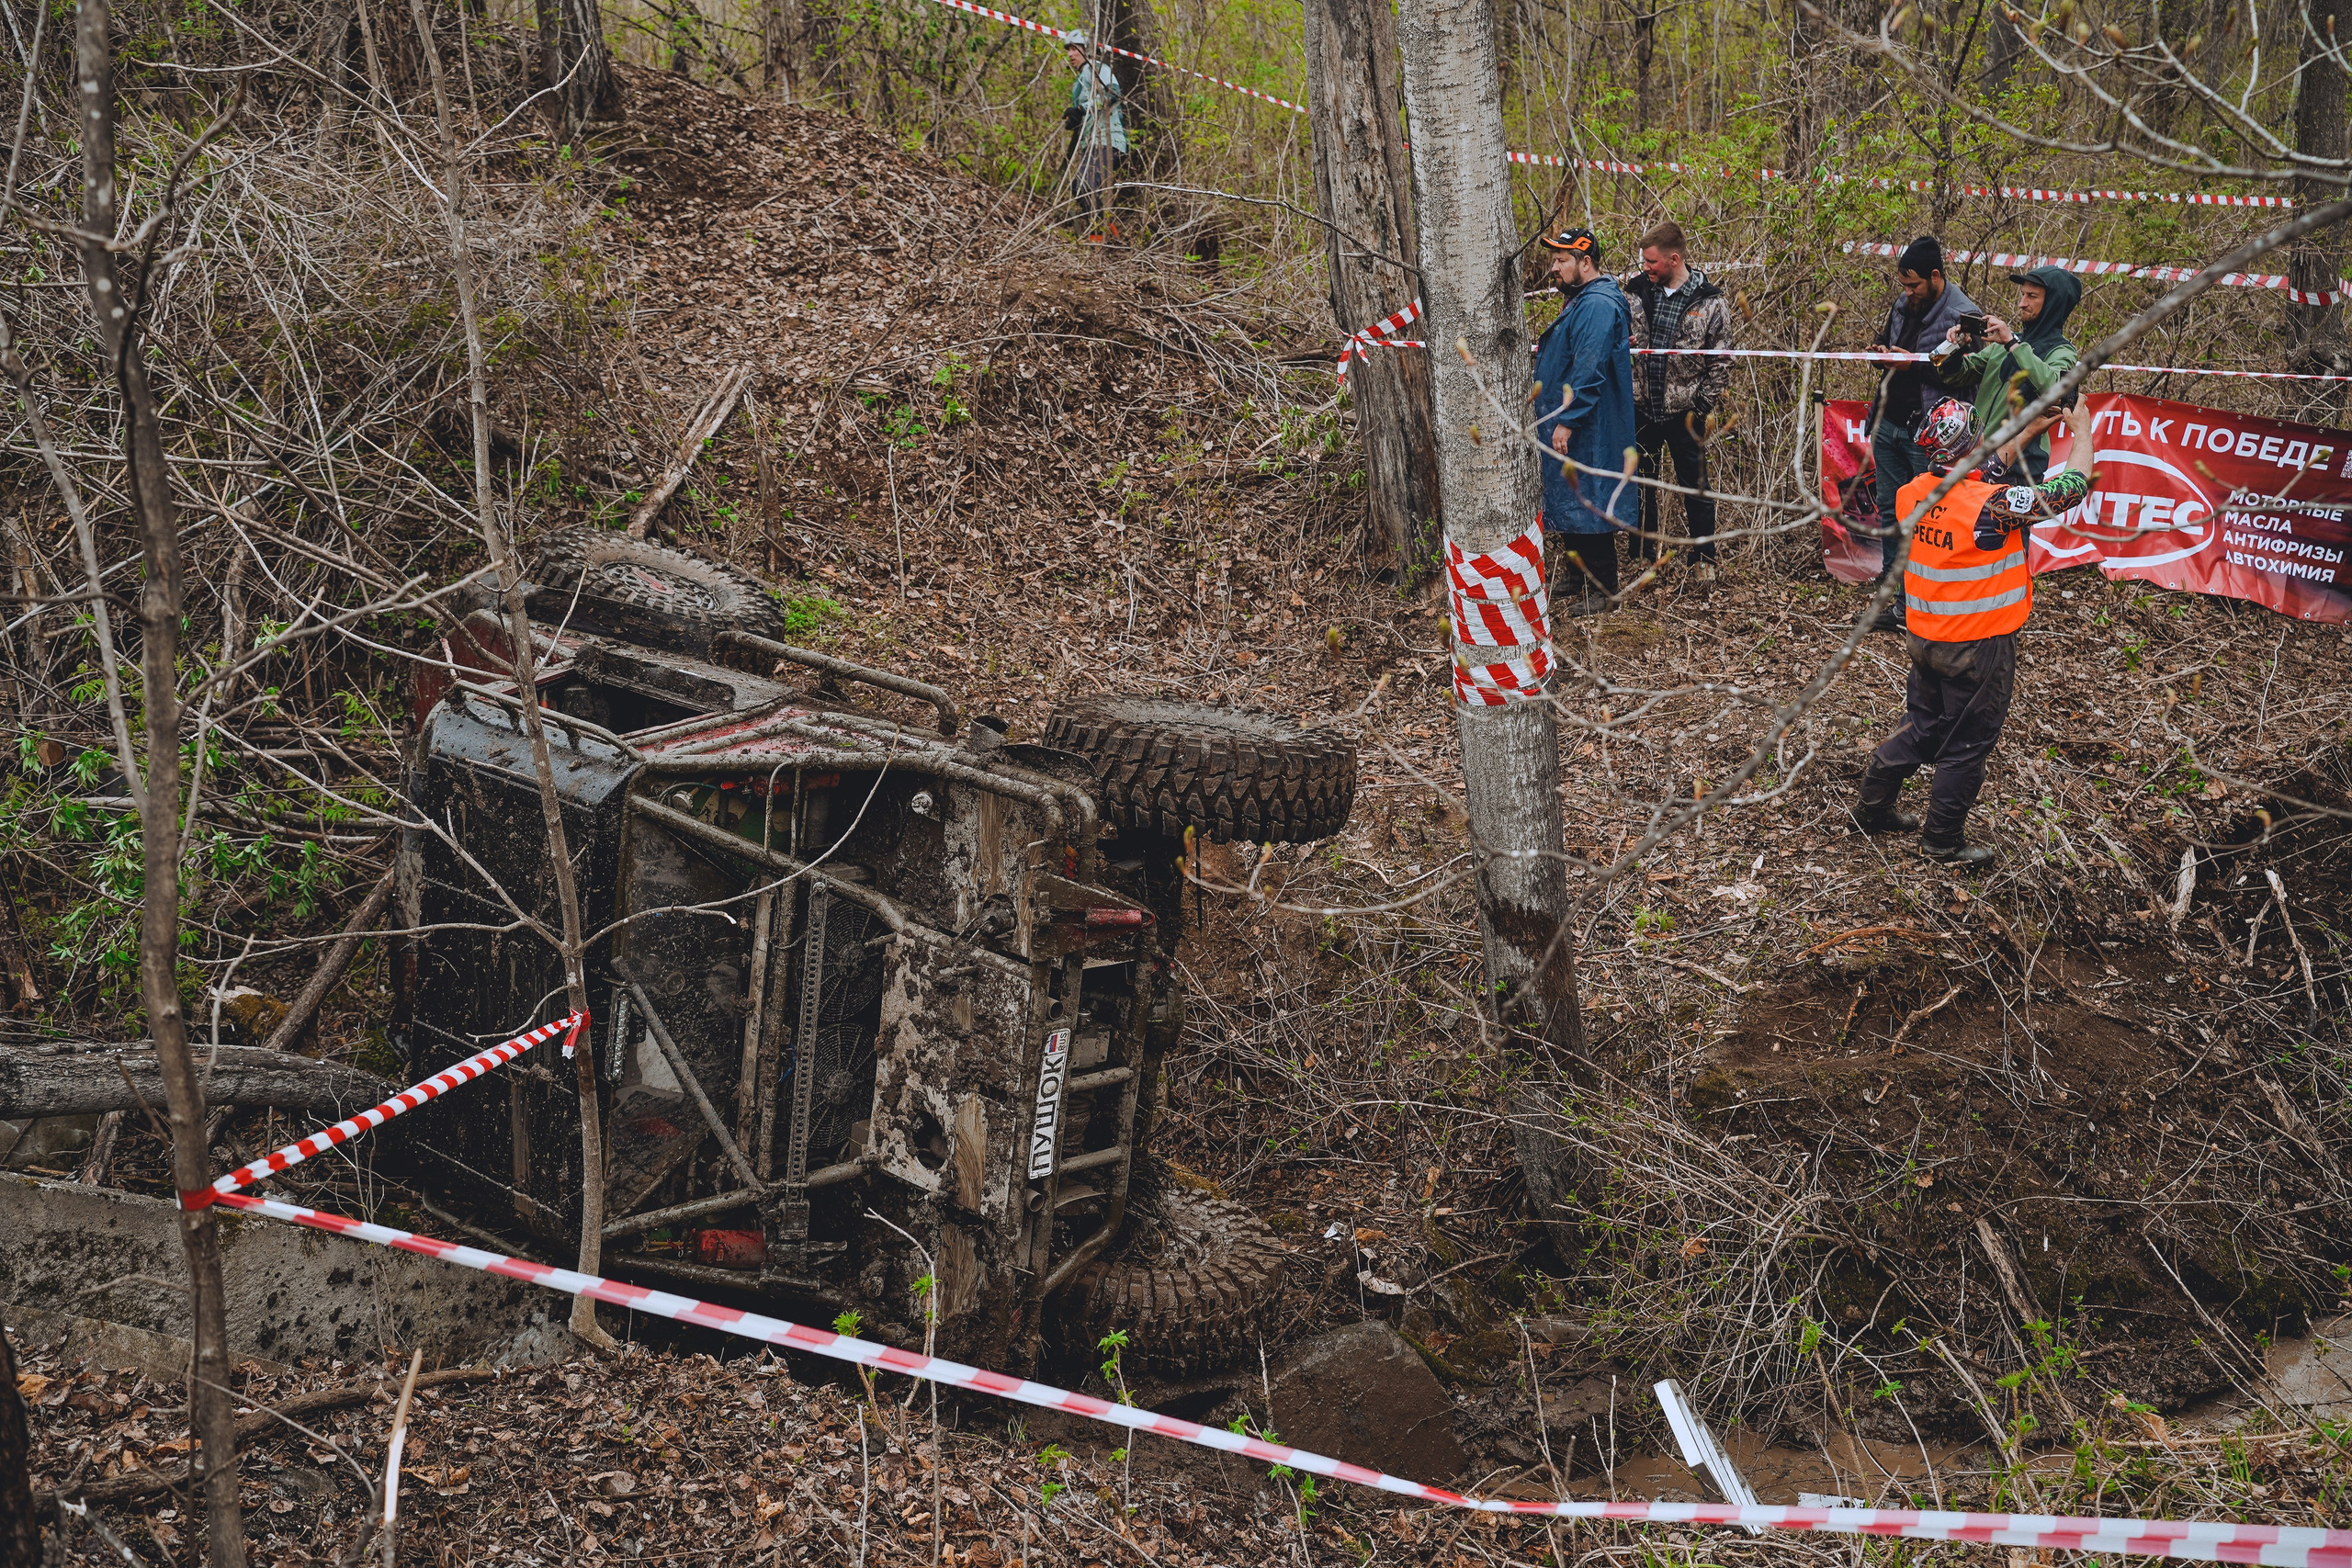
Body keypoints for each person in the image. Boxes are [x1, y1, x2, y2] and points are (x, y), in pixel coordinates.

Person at [1852, 394, 2095, 864]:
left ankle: (1873, 806)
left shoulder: (1913, 492)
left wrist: (2027, 432)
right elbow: (2070, 489)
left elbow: (1977, 475)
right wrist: (2081, 433)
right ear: (1974, 443)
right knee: (1967, 743)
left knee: (1923, 725)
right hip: (1978, 645)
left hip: (1924, 639)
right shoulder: (1991, 506)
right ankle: (1942, 840)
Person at [1865, 237, 1978, 629]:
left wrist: (1908, 364)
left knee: (1923, 517)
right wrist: (1882, 352)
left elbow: (1966, 375)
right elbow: (1895, 347)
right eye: (1903, 285)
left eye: (1914, 285)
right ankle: (1893, 591)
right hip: (1888, 419)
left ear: (1935, 276)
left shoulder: (1964, 315)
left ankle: (1916, 601)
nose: (1908, 292)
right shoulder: (1903, 303)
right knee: (1889, 509)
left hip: (1929, 432)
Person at [1531, 228, 1638, 616]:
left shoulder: (1597, 304)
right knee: (1571, 496)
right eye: (1554, 260)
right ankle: (1579, 575)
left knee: (1590, 497)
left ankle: (1604, 587)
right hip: (1572, 419)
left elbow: (1589, 369)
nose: (1554, 269)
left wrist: (1568, 420)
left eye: (1561, 261)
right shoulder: (1581, 300)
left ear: (1585, 262)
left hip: (1590, 423)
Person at [1624, 220, 1735, 581]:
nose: (1645, 268)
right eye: (1644, 261)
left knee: (1696, 486)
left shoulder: (1710, 300)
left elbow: (1722, 359)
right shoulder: (1637, 290)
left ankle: (1703, 559)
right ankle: (1643, 555)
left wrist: (1701, 406)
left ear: (1673, 259)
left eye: (1651, 262)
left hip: (1685, 413)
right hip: (1643, 408)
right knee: (1642, 483)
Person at [1931, 265, 2082, 481]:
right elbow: (1956, 376)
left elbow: (2056, 390)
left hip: (2019, 469)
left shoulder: (2062, 351)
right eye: (2022, 295)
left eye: (2031, 296)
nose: (2022, 303)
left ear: (2053, 303)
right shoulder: (2006, 342)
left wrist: (2012, 344)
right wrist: (1955, 347)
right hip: (1977, 459)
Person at [1062, 31, 1125, 244]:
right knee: (1083, 188)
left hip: (1108, 141)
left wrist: (1082, 109)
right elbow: (1089, 110)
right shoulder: (1081, 78)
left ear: (1087, 49)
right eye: (1068, 49)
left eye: (1075, 48)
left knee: (1084, 186)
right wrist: (1076, 119)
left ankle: (1100, 241)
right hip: (1093, 142)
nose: (1071, 54)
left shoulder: (1097, 69)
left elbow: (1113, 95)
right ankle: (1113, 239)